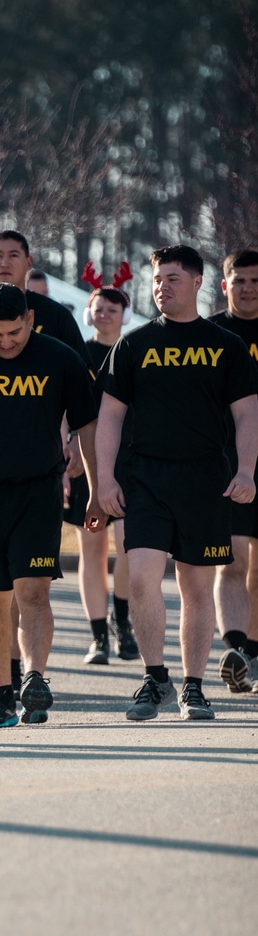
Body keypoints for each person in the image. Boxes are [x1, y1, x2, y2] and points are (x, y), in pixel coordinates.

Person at [97, 245, 258, 721]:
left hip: (206, 478)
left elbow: (248, 413)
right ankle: (154, 678)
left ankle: (193, 686)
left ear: (196, 282)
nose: (161, 287)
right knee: (143, 573)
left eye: (171, 279)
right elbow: (109, 415)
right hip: (145, 477)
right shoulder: (134, 345)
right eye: (157, 280)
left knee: (195, 583)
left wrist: (246, 469)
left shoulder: (224, 345)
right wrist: (103, 479)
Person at [0, 283, 100, 728]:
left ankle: (35, 678)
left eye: (14, 333)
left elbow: (87, 425)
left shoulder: (59, 358)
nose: (5, 342)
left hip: (38, 491)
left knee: (34, 592)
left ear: (30, 321)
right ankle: (1, 694)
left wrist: (97, 487)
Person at [65, 279, 138, 665]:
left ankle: (122, 622)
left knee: (127, 543)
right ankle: (98, 636)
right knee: (91, 548)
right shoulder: (78, 354)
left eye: (113, 308)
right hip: (86, 464)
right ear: (88, 313)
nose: (105, 314)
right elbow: (66, 407)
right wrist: (69, 447)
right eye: (99, 307)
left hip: (128, 462)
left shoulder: (134, 351)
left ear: (124, 315)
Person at [210, 250, 258, 692]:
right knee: (233, 558)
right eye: (239, 280)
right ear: (224, 285)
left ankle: (254, 655)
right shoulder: (213, 334)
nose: (248, 288)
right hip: (228, 462)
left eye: (255, 281)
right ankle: (238, 651)